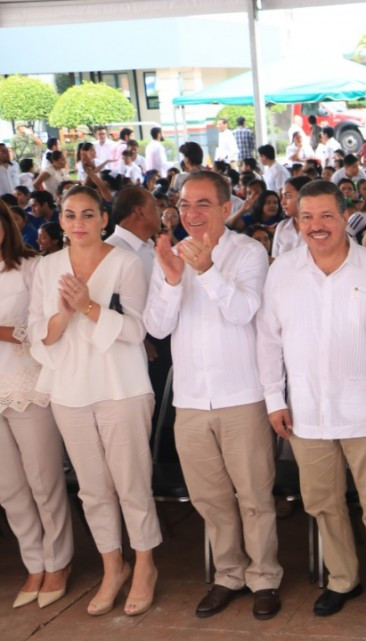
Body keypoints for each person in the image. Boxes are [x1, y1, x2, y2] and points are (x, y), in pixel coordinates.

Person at [256, 180, 366, 618]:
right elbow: (267, 339)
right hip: (306, 411)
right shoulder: (281, 270)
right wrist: (273, 399)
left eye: (325, 216)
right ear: (296, 222)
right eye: (307, 217)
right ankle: (343, 579)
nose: (316, 226)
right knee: (323, 503)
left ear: (345, 218)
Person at [142, 170, 282, 620]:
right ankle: (229, 574)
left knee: (254, 496)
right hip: (191, 400)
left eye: (203, 204)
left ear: (227, 208)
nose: (192, 213)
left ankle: (264, 577)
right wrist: (168, 278)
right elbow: (158, 327)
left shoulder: (248, 253)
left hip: (241, 396)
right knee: (211, 498)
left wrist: (204, 271)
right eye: (184, 204)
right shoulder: (172, 255)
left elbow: (243, 311)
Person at [28, 185, 161, 617]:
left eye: (88, 214)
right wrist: (63, 316)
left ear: (104, 218)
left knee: (132, 481)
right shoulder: (47, 268)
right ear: (60, 221)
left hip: (121, 385)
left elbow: (138, 330)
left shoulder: (125, 262)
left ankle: (144, 563)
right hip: (70, 388)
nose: (78, 223)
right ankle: (112, 564)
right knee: (93, 488)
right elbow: (39, 334)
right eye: (70, 215)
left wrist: (88, 307)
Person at [0, 202, 73, 610]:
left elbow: (42, 328)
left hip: (28, 383)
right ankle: (34, 563)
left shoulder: (30, 266)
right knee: (9, 488)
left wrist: (3, 331)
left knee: (44, 481)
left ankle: (58, 561)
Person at [106, 186, 159, 283]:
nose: (160, 212)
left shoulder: (149, 245)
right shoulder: (110, 253)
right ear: (140, 212)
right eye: (155, 207)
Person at [271, 175, 310, 258]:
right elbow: (276, 260)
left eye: (288, 196)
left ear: (305, 197)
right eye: (282, 197)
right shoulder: (282, 226)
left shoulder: (319, 226)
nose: (282, 202)